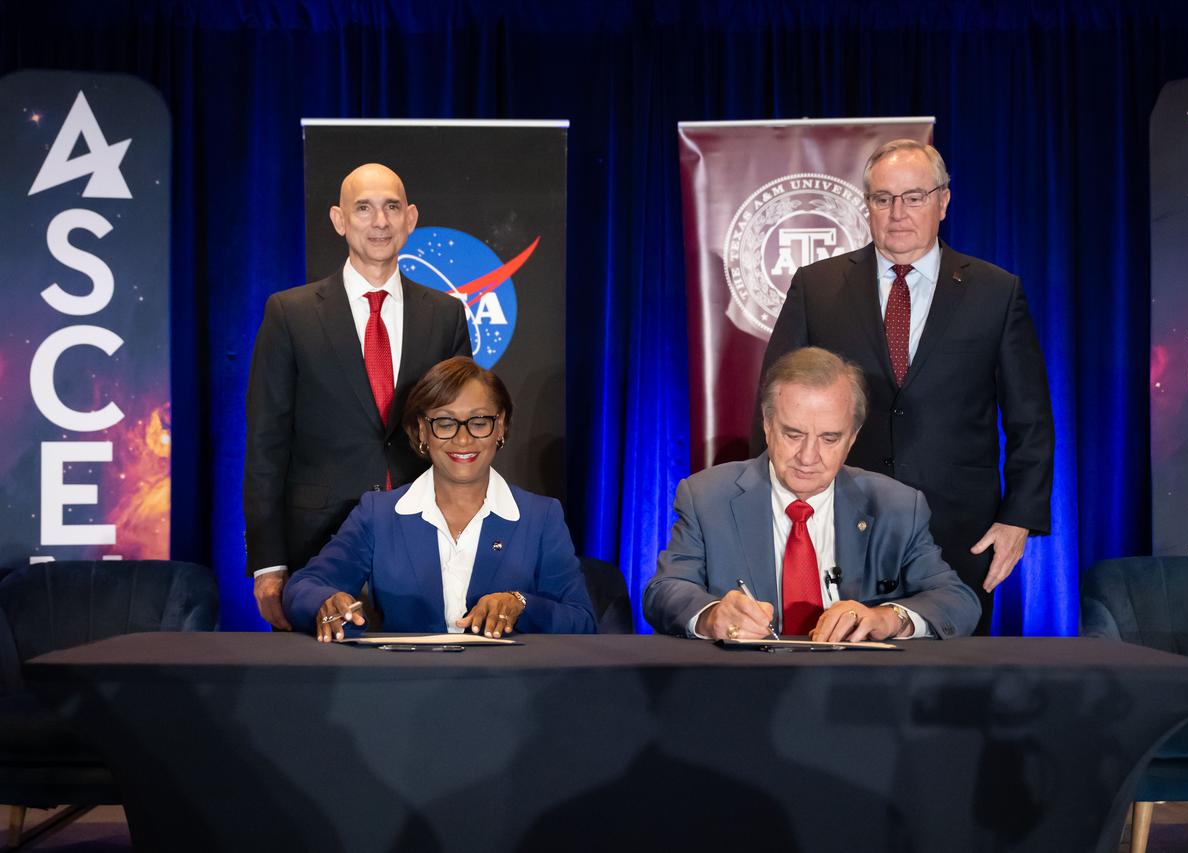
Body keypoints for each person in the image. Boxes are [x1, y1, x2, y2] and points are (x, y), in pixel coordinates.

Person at [756, 140, 1053, 635]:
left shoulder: (996, 292)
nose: (897, 213)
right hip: (839, 520)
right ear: (867, 205)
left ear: (943, 201)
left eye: (914, 197)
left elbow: (1031, 420)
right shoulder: (817, 287)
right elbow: (774, 402)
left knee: (952, 695)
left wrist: (1018, 518)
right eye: (882, 198)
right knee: (838, 678)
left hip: (959, 532)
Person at [245, 163, 469, 630]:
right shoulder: (290, 313)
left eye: (391, 208)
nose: (380, 222)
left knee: (423, 690)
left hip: (423, 542)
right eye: (363, 208)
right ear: (339, 220)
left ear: (411, 218)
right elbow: (266, 444)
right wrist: (268, 563)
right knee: (317, 696)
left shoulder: (445, 315)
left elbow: (460, 434)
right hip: (316, 550)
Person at [646, 347, 979, 641]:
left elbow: (957, 601)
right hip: (743, 691)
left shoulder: (898, 507)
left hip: (859, 695)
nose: (808, 456)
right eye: (793, 434)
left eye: (830, 438)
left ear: (853, 438)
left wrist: (888, 618)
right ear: (767, 424)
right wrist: (712, 615)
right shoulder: (707, 497)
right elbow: (665, 591)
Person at [284, 357, 596, 639]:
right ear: (422, 430)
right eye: (445, 423)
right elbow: (302, 587)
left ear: (499, 426)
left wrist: (521, 604)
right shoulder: (378, 514)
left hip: (510, 694)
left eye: (478, 422)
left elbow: (581, 619)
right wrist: (325, 603)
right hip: (403, 690)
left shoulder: (540, 517)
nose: (463, 439)